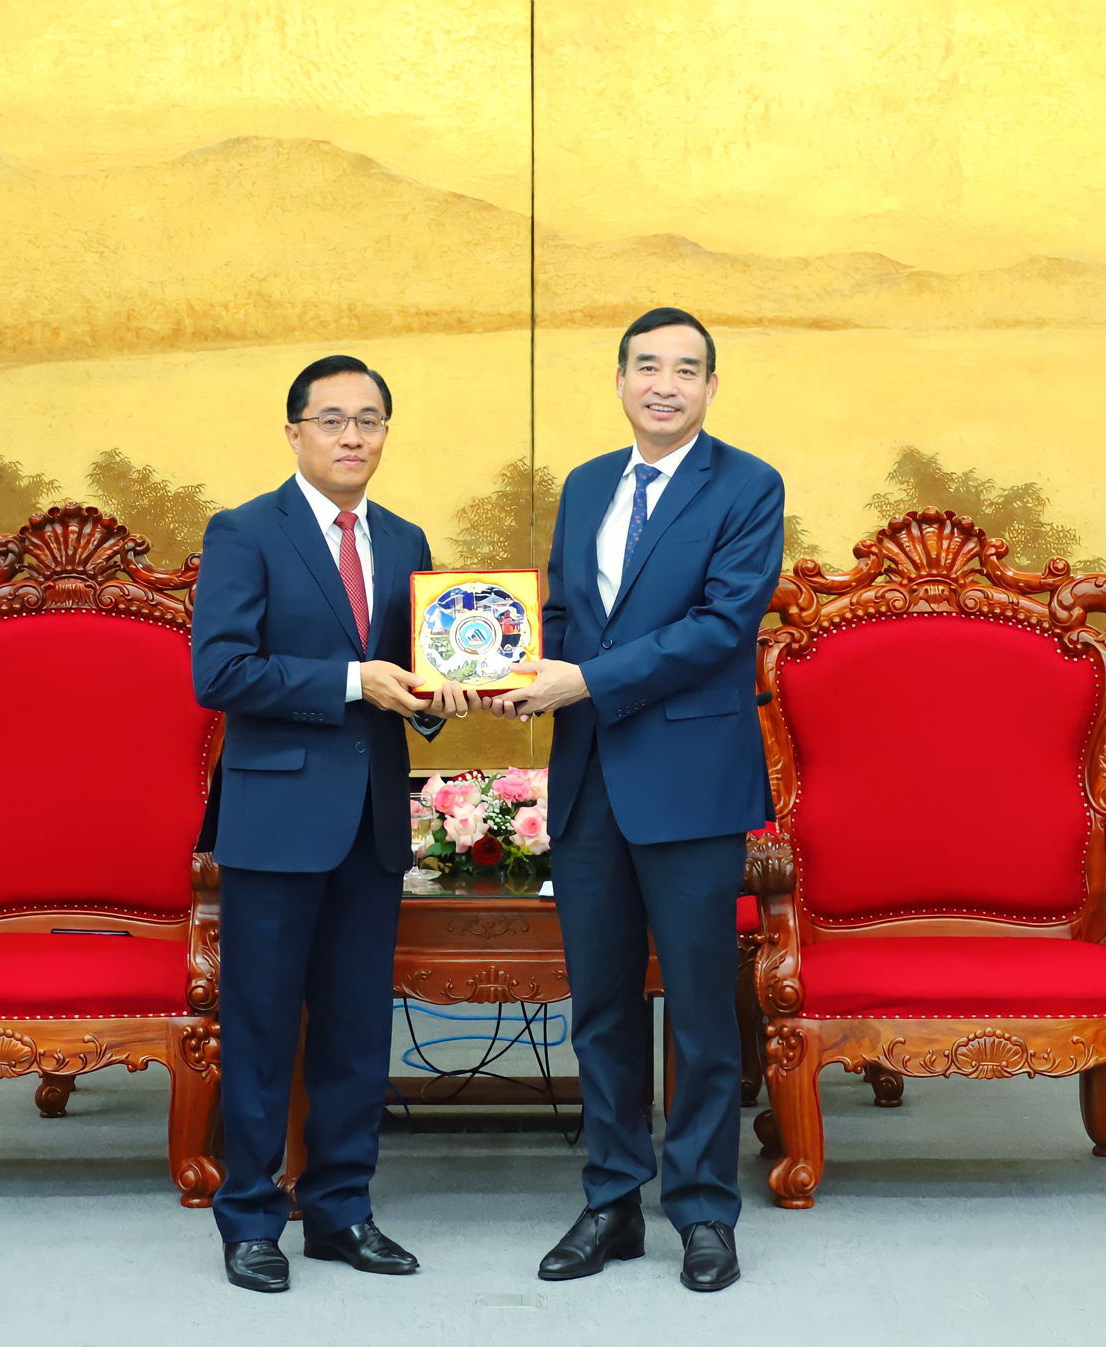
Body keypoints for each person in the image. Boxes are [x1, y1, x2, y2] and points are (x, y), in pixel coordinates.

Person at [490, 308, 784, 1292]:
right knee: (601, 1009)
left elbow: (718, 625)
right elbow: (567, 613)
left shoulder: (746, 486)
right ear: (619, 382)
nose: (664, 383)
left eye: (685, 370)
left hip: (689, 784)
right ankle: (611, 1200)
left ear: (708, 388)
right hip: (586, 783)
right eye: (646, 366)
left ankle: (701, 1209)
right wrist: (494, 664)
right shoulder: (583, 486)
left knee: (701, 1015)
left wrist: (587, 681)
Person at [192, 354, 476, 1293]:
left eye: (370, 421)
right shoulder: (245, 533)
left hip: (369, 823)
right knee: (264, 1025)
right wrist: (355, 682)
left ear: (386, 433)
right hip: (274, 819)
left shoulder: (404, 538)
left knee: (359, 1031)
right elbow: (221, 673)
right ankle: (250, 1218)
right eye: (333, 420)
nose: (353, 436)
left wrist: (446, 694)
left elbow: (414, 670)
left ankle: (343, 1210)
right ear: (295, 432)